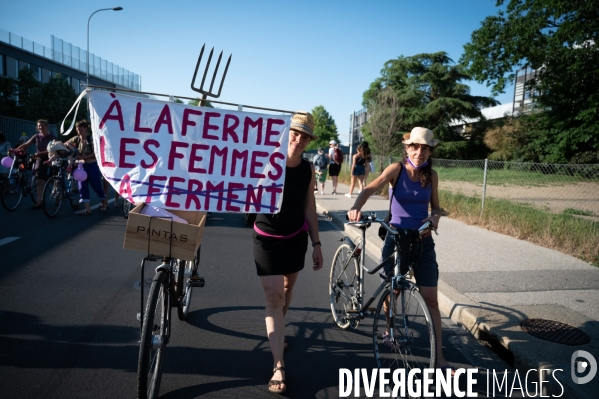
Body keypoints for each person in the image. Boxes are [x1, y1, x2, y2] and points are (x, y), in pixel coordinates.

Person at [346, 127, 455, 374]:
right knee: (392, 290)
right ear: (407, 149)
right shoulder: (396, 170)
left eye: (424, 148)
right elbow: (370, 187)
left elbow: (436, 207)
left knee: (431, 301)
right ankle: (390, 328)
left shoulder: (432, 175)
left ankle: (439, 359)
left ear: (430, 151)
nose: (419, 152)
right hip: (396, 239)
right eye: (414, 147)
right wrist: (356, 207)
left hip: (423, 242)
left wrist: (435, 218)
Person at [252, 111, 323, 394]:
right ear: (285, 133)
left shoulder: (307, 170)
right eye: (295, 133)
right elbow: (246, 190)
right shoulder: (264, 162)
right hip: (266, 239)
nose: (299, 139)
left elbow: (310, 208)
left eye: (305, 136)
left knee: (286, 288)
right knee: (274, 295)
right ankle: (278, 363)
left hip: (296, 238)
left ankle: (277, 331)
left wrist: (317, 244)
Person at [65, 120, 106, 215]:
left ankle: (104, 204)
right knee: (82, 186)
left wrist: (85, 157)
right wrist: (73, 150)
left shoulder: (91, 139)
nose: (78, 129)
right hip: (81, 165)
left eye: (80, 127)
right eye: (77, 127)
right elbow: (66, 143)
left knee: (96, 185)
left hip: (92, 164)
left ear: (86, 128)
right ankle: (88, 210)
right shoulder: (76, 139)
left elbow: (96, 153)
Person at [17, 120, 57, 209]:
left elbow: (55, 149)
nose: (40, 127)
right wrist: (16, 149)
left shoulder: (52, 137)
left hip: (51, 159)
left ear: (47, 127)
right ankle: (39, 203)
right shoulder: (36, 136)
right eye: (39, 126)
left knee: (53, 179)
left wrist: (41, 153)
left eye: (42, 126)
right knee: (39, 181)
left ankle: (57, 196)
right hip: (40, 159)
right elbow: (26, 144)